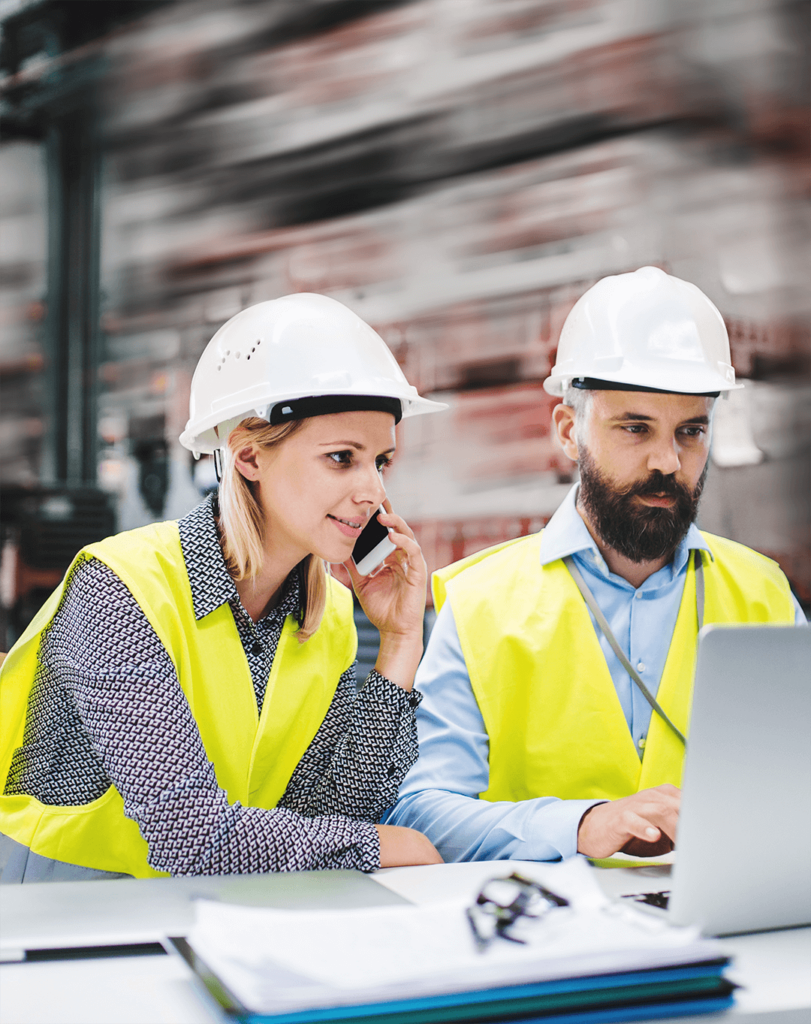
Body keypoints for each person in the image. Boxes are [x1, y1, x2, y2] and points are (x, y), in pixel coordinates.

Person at [0, 293, 447, 882]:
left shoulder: (329, 613)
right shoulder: (121, 590)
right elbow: (191, 836)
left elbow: (324, 816)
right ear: (247, 458)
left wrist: (398, 645)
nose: (372, 492)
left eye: (381, 462)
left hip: (208, 910)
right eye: (342, 458)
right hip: (60, 913)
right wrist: (382, 846)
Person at [385, 266, 805, 863]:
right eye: (635, 428)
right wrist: (578, 826)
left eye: (691, 432)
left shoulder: (761, 593)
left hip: (724, 926)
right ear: (569, 431)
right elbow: (419, 811)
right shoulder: (482, 603)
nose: (668, 461)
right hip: (546, 938)